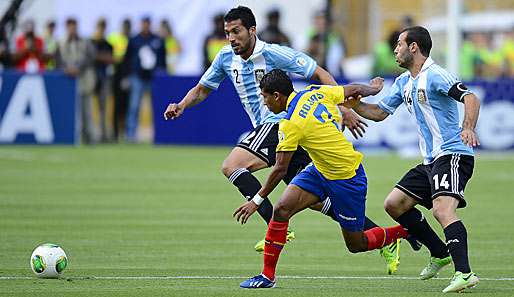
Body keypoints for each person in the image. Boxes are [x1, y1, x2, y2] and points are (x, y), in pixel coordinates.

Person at [164, 5, 415, 274]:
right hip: (286, 135)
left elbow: (319, 73)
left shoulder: (274, 53)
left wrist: (342, 108)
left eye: (236, 31)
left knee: (231, 165)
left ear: (252, 30)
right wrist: (181, 104)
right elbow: (203, 89)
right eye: (227, 33)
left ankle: (274, 226)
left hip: (280, 125)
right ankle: (380, 236)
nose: (231, 38)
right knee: (318, 200)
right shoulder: (226, 58)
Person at [235, 69, 409, 288]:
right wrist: (373, 89)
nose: (265, 103)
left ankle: (405, 232)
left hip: (347, 177)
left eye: (265, 97)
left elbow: (280, 169)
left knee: (356, 244)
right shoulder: (314, 92)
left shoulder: (290, 124)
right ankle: (267, 276)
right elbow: (353, 89)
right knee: (281, 210)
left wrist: (256, 201)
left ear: (277, 96)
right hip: (319, 170)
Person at [349, 26, 481, 293]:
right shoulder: (404, 82)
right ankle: (439, 251)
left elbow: (470, 97)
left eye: (399, 44)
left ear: (413, 47)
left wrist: (468, 127)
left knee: (442, 210)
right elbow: (379, 113)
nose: (394, 49)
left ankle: (464, 273)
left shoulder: (436, 75)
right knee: (394, 204)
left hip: (452, 153)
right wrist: (354, 105)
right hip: (430, 160)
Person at [124, 16, 166, 142]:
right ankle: (131, 135)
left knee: (157, 106)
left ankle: (159, 135)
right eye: (144, 23)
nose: (145, 26)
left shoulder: (157, 39)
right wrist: (127, 76)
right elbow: (127, 59)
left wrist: (162, 75)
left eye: (147, 24)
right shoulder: (134, 40)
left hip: (154, 78)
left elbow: (162, 59)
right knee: (134, 106)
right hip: (138, 77)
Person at [56, 18, 96, 144]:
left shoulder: (85, 41)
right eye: (70, 27)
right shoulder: (61, 42)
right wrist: (66, 69)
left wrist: (78, 68)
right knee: (73, 111)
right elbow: (58, 60)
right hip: (68, 81)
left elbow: (91, 57)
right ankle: (74, 138)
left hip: (85, 79)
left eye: (74, 27)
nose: (72, 29)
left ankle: (89, 137)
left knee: (87, 111)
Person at [108, 18, 132, 142]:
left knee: (126, 107)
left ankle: (125, 133)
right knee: (117, 106)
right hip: (116, 76)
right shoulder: (113, 38)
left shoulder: (131, 40)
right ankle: (115, 133)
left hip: (126, 76)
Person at [91, 18, 114, 142]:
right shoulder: (91, 42)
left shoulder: (107, 43)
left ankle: (104, 134)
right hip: (92, 77)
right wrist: (103, 57)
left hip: (104, 77)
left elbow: (111, 59)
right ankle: (92, 134)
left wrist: (99, 57)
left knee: (103, 108)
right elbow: (91, 57)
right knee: (89, 107)